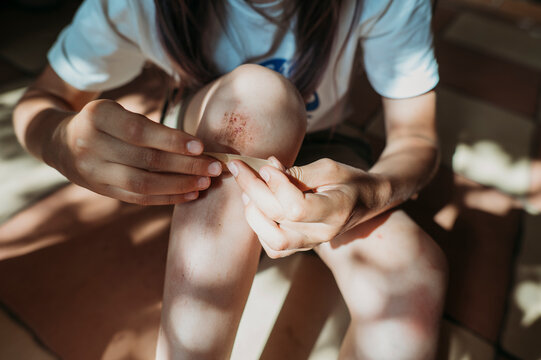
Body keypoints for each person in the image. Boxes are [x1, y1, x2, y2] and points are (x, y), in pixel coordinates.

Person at [13, 0, 448, 358]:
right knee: (255, 104)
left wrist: (369, 193)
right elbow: (41, 101)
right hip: (207, 148)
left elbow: (415, 137)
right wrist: (59, 141)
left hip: (322, 152)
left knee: (415, 277)